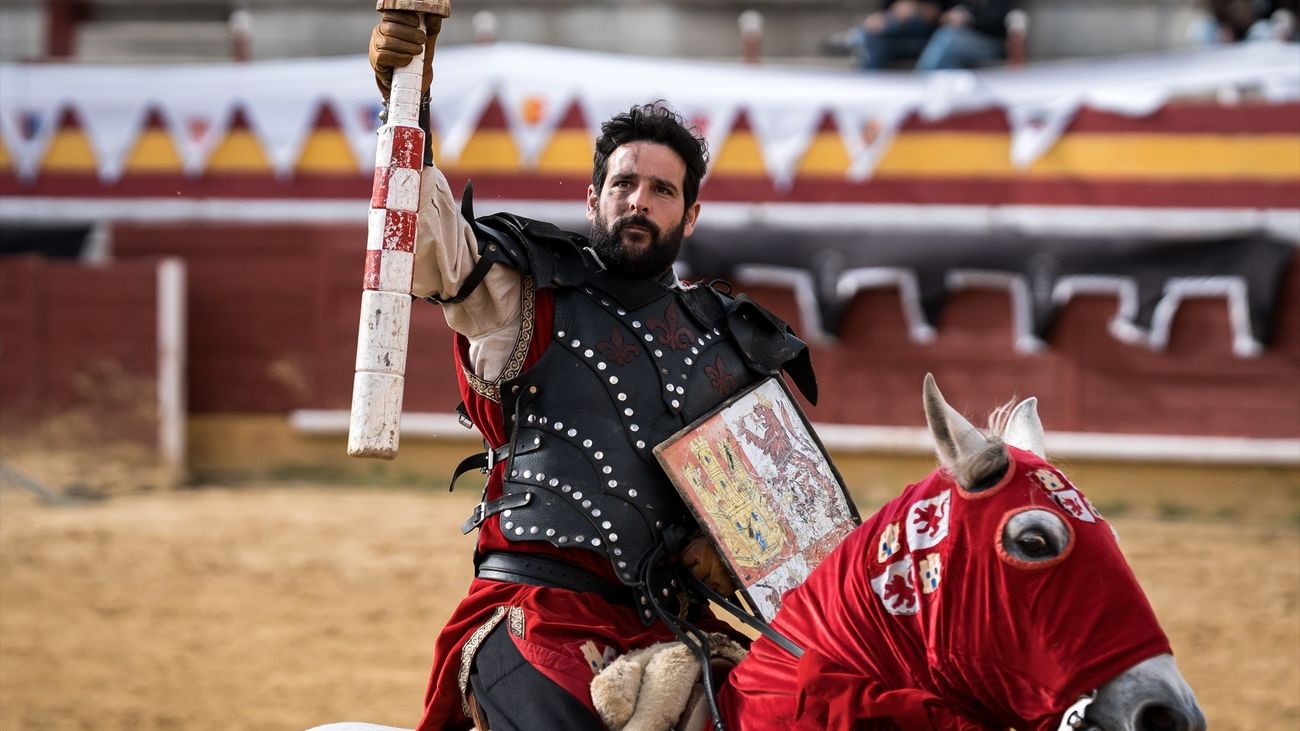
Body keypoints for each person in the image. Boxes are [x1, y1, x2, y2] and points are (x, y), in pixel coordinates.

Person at [369, 12, 818, 731]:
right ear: (593, 198)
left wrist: (724, 555)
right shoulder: (528, 293)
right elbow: (432, 246)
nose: (639, 200)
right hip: (534, 617)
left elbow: (786, 546)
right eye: (624, 184)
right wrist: (406, 107)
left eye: (662, 191)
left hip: (674, 629)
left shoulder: (729, 346)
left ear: (692, 215)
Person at [914, 0, 1015, 71]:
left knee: (949, 38)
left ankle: (921, 82)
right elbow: (939, 12)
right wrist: (947, 17)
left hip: (992, 44)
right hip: (957, 41)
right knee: (947, 45)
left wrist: (970, 18)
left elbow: (1000, 20)